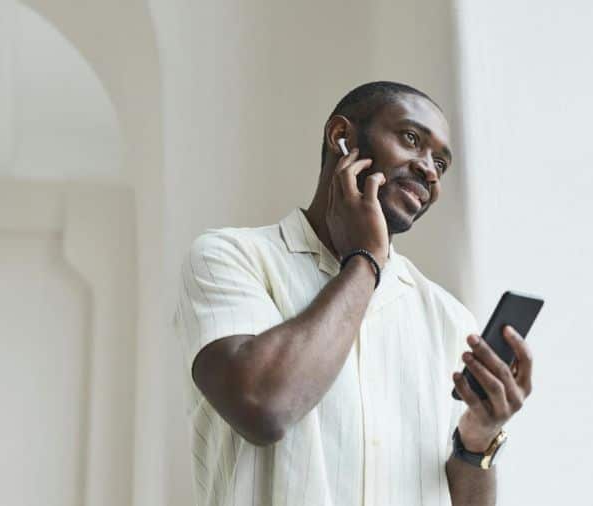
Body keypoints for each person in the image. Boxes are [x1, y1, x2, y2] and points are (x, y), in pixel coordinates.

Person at [173, 81, 533, 506]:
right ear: (341, 136)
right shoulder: (232, 257)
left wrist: (478, 440)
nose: (429, 171)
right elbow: (262, 406)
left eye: (440, 163)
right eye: (412, 139)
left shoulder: (451, 321)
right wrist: (366, 260)